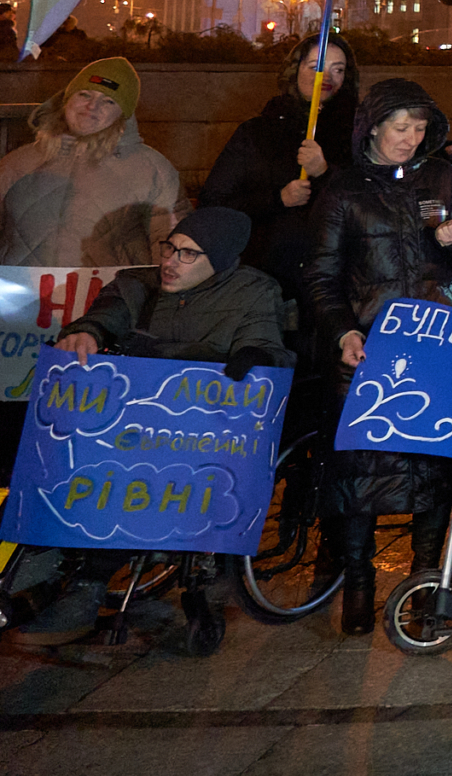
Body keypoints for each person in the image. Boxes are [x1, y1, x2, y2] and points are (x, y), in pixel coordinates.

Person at [8, 207, 290, 652]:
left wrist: (254, 357)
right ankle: (43, 548)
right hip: (129, 414)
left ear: (216, 260)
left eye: (188, 254)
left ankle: (90, 585)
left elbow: (266, 342)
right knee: (63, 441)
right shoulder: (137, 282)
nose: (171, 261)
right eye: (169, 247)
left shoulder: (253, 291)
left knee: (134, 468)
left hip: (194, 428)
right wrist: (87, 331)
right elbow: (110, 311)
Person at [306, 79, 452, 636]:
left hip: (437, 340)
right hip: (369, 345)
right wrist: (341, 334)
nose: (411, 139)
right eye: (401, 128)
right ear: (375, 128)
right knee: (359, 473)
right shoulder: (344, 189)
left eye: (420, 129)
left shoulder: (441, 177)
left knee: (436, 466)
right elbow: (320, 275)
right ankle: (357, 583)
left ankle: (427, 584)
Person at [198, 33, 360, 308]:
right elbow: (213, 204)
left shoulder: (359, 135)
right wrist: (277, 199)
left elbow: (369, 202)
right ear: (295, 70)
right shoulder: (257, 133)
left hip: (334, 289)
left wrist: (325, 173)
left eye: (339, 69)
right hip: (264, 283)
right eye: (316, 66)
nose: (327, 76)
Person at [0, 57, 181, 267]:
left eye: (108, 101)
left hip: (107, 296)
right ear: (67, 100)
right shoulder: (18, 162)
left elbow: (172, 244)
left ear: (124, 114)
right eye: (84, 94)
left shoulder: (153, 169)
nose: (91, 106)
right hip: (23, 296)